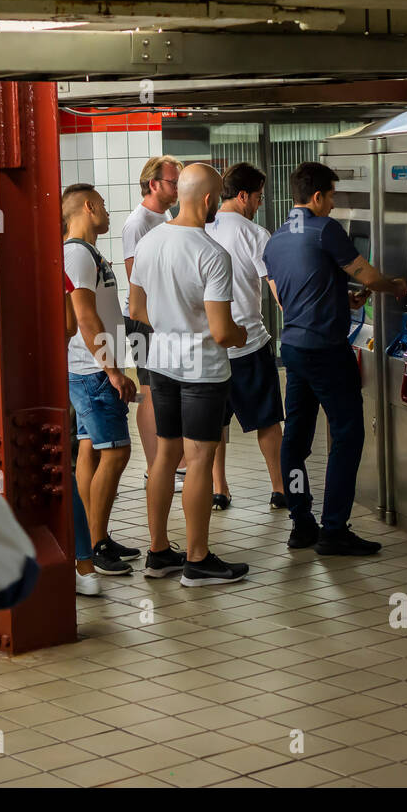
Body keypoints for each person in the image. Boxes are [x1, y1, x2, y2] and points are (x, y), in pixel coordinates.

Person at [264, 162, 407, 557]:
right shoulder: (325, 229)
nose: (332, 205)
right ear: (317, 197)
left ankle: (301, 521)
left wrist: (341, 300)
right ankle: (334, 529)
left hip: (293, 348)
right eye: (331, 197)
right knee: (347, 435)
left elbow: (295, 292)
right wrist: (392, 286)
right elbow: (366, 274)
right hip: (326, 350)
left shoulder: (275, 239)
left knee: (294, 439)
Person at [128, 163, 249, 586]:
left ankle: (159, 553)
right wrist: (240, 334)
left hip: (160, 364)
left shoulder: (149, 242)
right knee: (199, 459)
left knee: (165, 455)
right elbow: (220, 330)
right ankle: (197, 560)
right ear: (209, 200)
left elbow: (136, 311)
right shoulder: (212, 253)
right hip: (202, 372)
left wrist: (170, 326)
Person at [63, 184, 139, 575]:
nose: (108, 214)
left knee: (91, 448)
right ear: (89, 208)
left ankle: (96, 537)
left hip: (91, 367)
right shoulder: (76, 253)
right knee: (117, 452)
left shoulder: (86, 252)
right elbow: (85, 317)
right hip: (93, 370)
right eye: (104, 207)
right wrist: (112, 369)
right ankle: (96, 544)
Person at [205, 163, 287, 512]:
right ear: (242, 196)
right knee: (267, 420)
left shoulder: (201, 229)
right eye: (257, 197)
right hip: (249, 341)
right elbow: (279, 292)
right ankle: (281, 489)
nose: (258, 203)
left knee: (215, 423)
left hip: (209, 344)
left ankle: (219, 489)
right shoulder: (255, 234)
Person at [122, 156, 186, 492]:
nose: (177, 188)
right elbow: (136, 278)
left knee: (165, 388)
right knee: (149, 391)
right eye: (173, 182)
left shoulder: (165, 215)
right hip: (142, 319)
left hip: (165, 316)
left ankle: (169, 464)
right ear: (154, 184)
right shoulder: (138, 222)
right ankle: (152, 468)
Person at [64, 270, 100, 596]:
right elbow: (69, 325)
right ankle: (85, 564)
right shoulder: (51, 267)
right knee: (64, 472)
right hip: (52, 380)